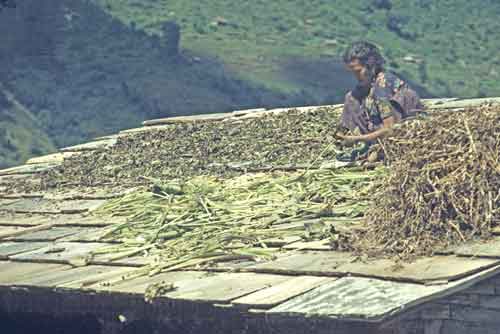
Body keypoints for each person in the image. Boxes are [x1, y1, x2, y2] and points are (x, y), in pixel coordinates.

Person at [335, 41, 423, 160]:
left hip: (400, 135)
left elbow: (390, 130)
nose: (355, 76)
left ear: (371, 66)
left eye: (358, 71)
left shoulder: (382, 85)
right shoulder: (364, 89)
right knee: (351, 98)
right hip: (375, 135)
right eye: (352, 72)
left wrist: (357, 139)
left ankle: (380, 149)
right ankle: (371, 146)